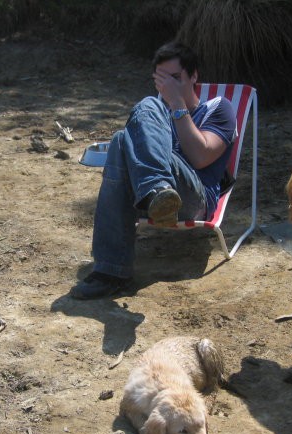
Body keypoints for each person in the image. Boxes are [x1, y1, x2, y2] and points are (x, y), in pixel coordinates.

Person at [70, 41, 237, 300]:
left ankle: (154, 192)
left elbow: (201, 157)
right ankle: (114, 266)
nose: (169, 86)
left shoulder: (219, 108)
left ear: (194, 76)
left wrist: (178, 105)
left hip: (195, 198)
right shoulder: (154, 119)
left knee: (142, 113)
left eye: (176, 78)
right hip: (153, 199)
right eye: (163, 80)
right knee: (121, 138)